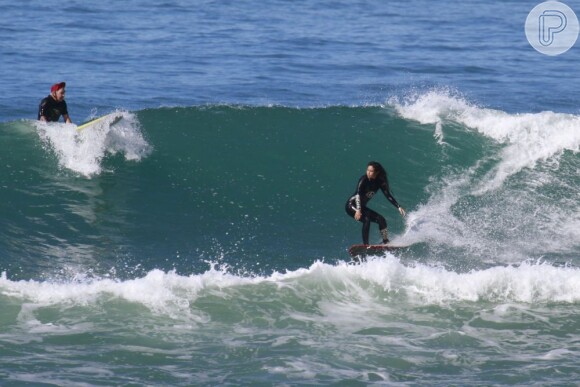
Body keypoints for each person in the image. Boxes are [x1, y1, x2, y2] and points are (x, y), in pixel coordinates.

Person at [345, 161, 406, 245]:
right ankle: (366, 245)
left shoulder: (380, 182)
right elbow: (357, 195)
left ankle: (386, 241)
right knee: (366, 220)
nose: (368, 172)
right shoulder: (363, 179)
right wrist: (358, 210)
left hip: (362, 207)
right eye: (367, 170)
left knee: (381, 219)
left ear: (376, 172)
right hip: (351, 205)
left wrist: (398, 206)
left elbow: (387, 195)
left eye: (371, 171)